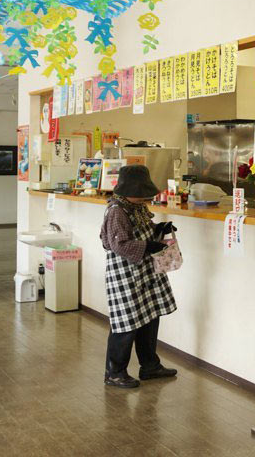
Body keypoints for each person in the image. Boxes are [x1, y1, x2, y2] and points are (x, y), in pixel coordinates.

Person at [99, 165, 178, 388]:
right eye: (140, 192)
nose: (145, 196)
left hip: (144, 271)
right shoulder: (117, 211)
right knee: (125, 323)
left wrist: (160, 229)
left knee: (150, 317)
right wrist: (149, 246)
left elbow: (146, 228)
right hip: (124, 273)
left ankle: (150, 365)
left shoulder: (137, 206)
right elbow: (119, 244)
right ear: (126, 190)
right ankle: (114, 372)